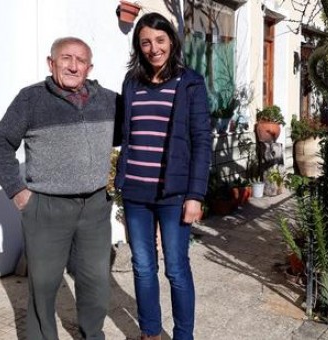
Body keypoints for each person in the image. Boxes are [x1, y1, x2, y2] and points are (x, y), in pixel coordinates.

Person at [0, 37, 117, 340]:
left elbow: (135, 134)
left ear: (90, 66)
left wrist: (118, 181)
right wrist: (18, 192)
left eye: (80, 60)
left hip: (95, 207)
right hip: (46, 207)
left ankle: (93, 335)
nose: (73, 66)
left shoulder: (109, 100)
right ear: (51, 63)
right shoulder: (30, 99)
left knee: (96, 281)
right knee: (44, 285)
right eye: (66, 58)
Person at [114, 12, 211, 340]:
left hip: (175, 195)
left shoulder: (191, 82)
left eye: (159, 40)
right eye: (145, 42)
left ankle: (184, 335)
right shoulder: (131, 83)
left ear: (171, 40)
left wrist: (195, 195)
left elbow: (201, 142)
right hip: (135, 194)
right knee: (142, 267)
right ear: (138, 47)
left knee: (176, 269)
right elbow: (122, 131)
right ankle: (150, 332)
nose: (153, 48)